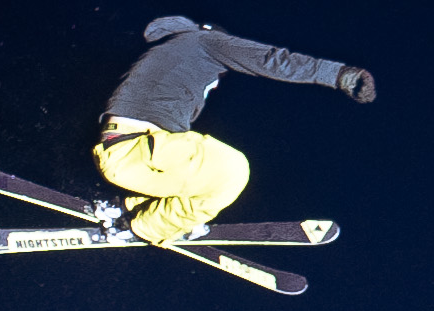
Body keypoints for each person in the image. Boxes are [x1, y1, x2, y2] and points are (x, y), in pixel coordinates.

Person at [97, 15, 377, 244]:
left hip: (126, 153)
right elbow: (272, 60)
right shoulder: (206, 41)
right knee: (231, 172)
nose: (218, 82)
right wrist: (340, 75)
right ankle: (142, 228)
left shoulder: (167, 60)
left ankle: (126, 209)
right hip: (138, 146)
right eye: (220, 74)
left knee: (199, 179)